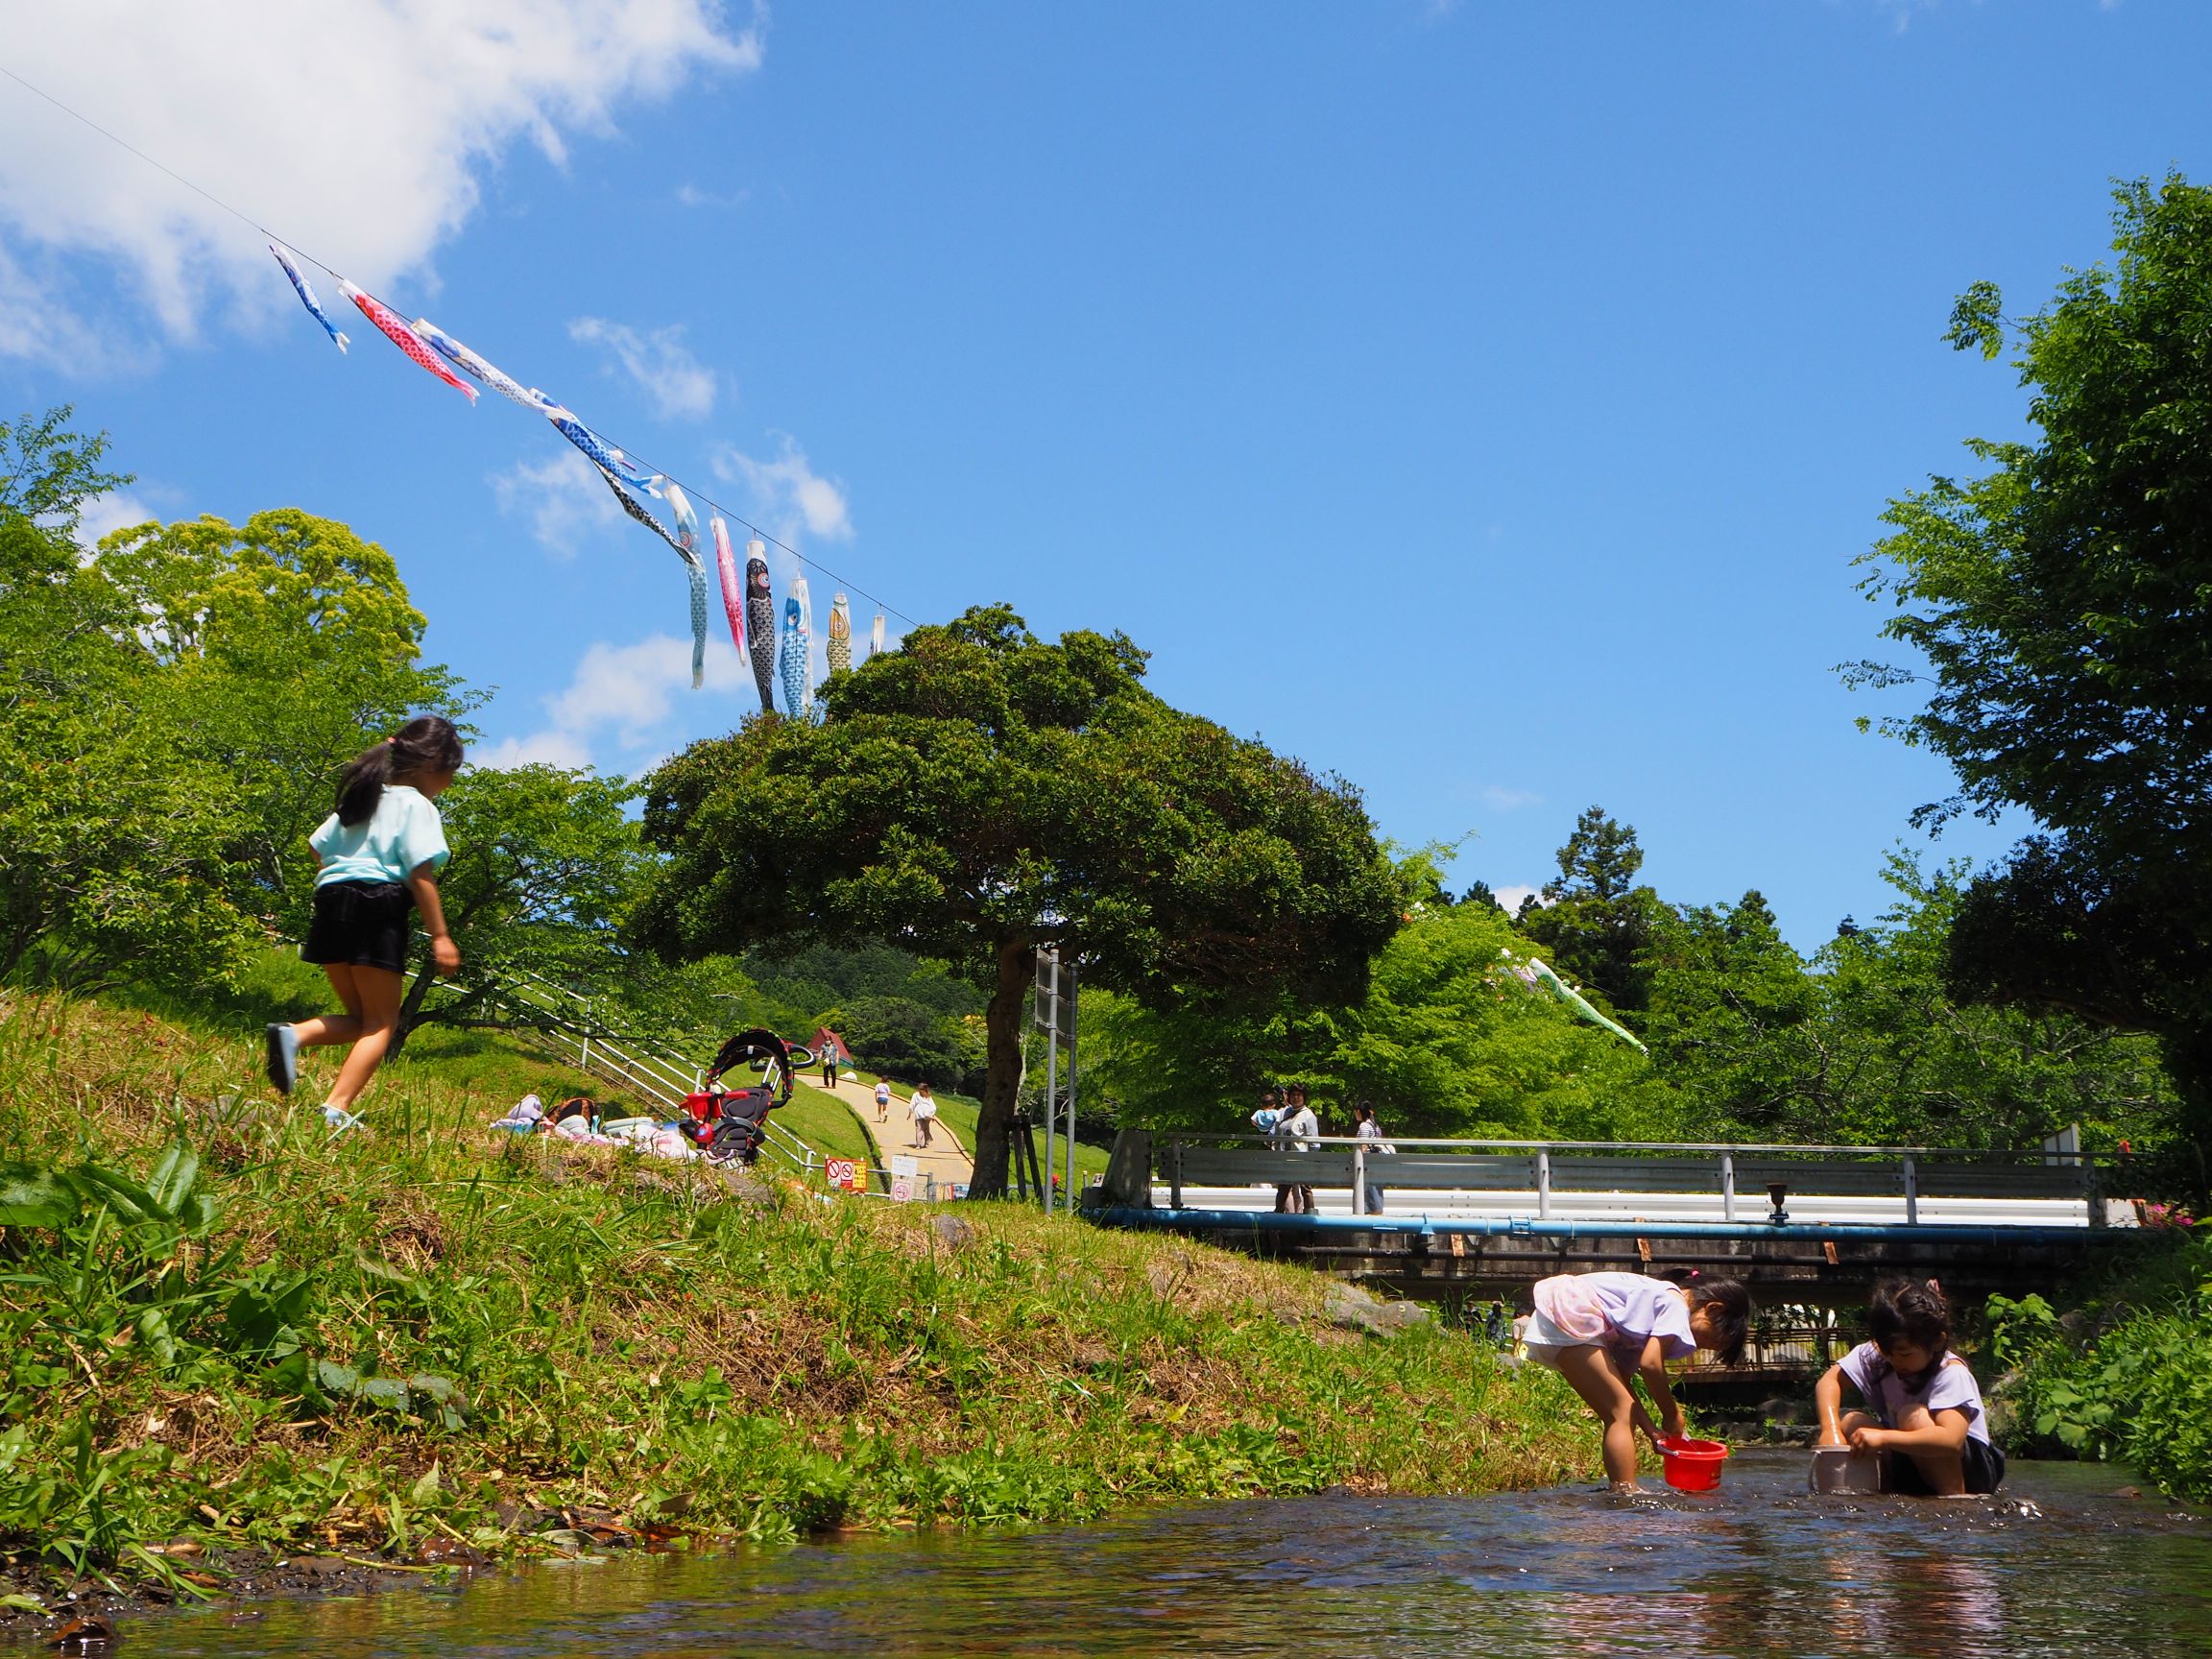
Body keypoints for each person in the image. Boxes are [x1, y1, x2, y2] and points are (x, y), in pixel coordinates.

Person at [264, 716, 465, 1132]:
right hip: (378, 904)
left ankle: (292, 1035)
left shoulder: (363, 798)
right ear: (433, 766)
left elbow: (316, 848)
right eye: (451, 773)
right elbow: (420, 873)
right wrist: (441, 936)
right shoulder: (417, 806)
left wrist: (346, 871)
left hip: (331, 901)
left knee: (360, 1020)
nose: (449, 783)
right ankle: (334, 1109)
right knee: (382, 1024)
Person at [1518, 1268, 1752, 1492]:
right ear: (1713, 1309)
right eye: (1708, 1339)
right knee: (1619, 1413)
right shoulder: (1676, 1305)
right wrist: (1671, 1414)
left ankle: (1624, 1490)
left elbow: (1624, 1384)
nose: (1699, 1346)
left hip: (1561, 1314)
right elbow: (1651, 1364)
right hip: (1571, 1312)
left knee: (1621, 1409)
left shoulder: (1639, 1327)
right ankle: (1626, 1494)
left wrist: (1652, 1431)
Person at [1814, 1278, 2005, 1496]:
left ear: (1937, 1342)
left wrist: (1884, 1438)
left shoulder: (1951, 1373)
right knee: (1851, 1421)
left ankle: (1956, 1499)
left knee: (1912, 1416)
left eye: (1904, 1354)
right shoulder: (1879, 1355)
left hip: (1970, 1468)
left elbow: (1952, 1440)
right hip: (1913, 1458)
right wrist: (1830, 1430)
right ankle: (1884, 1492)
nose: (1895, 1361)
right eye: (1887, 1353)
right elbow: (1829, 1381)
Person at [1280, 1085, 1320, 1214]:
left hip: (1302, 1159)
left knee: (1305, 1188)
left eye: (1299, 1095)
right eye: (1293, 1095)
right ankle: (1278, 1217)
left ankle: (1309, 1215)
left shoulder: (1308, 1115)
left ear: (1304, 1097)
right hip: (1285, 1159)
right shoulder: (1285, 1112)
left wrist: (1309, 1159)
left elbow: (1314, 1143)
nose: (1296, 1098)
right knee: (1283, 1188)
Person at [1352, 1098, 1392, 1214]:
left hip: (1367, 1165)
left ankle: (1370, 1216)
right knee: (1376, 1193)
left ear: (1358, 1111)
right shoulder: (1375, 1126)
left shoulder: (1364, 1126)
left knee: (1368, 1193)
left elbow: (1363, 1147)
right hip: (1376, 1164)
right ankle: (1377, 1215)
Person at [910, 1082, 938, 1149]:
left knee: (926, 1129)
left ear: (924, 1089)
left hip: (927, 1114)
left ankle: (927, 1142)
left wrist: (932, 1114)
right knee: (919, 1129)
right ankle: (918, 1144)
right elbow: (912, 1103)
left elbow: (933, 1106)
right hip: (919, 1114)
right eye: (919, 1088)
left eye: (921, 1089)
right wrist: (910, 1111)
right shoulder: (916, 1095)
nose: (919, 1090)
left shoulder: (928, 1096)